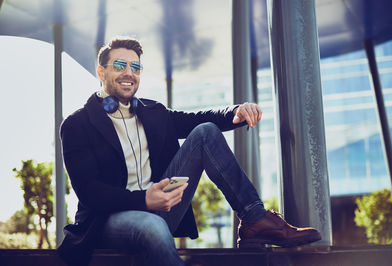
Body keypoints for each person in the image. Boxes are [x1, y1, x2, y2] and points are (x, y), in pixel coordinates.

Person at [57, 36, 321, 266]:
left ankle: (254, 219)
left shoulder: (153, 112)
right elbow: (91, 193)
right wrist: (144, 201)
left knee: (205, 131)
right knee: (152, 226)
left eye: (135, 67)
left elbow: (197, 119)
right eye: (120, 65)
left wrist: (235, 112)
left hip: (162, 206)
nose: (129, 72)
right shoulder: (77, 124)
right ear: (101, 72)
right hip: (107, 221)